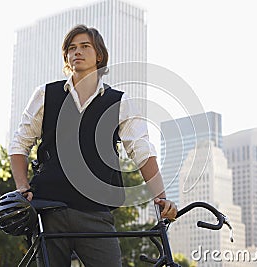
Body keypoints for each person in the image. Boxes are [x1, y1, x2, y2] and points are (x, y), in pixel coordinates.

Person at [9, 24, 177, 266]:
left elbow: (142, 152)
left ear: (99, 55)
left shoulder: (118, 102)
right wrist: (23, 188)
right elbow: (19, 144)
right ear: (66, 56)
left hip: (96, 213)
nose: (77, 51)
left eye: (85, 46)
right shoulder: (46, 94)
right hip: (48, 211)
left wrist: (161, 199)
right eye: (71, 48)